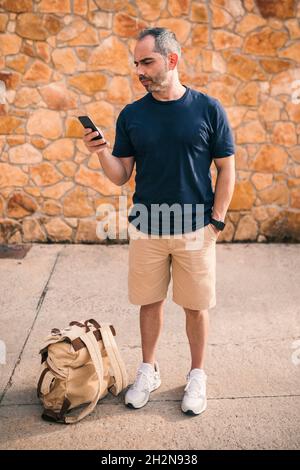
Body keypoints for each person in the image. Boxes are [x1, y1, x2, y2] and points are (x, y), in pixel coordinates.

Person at [83, 27, 235, 416]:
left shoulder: (208, 109)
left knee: (196, 307)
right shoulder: (132, 115)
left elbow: (226, 170)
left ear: (172, 60)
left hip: (196, 229)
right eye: (136, 63)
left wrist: (216, 222)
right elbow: (121, 175)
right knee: (149, 303)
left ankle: (197, 375)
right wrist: (100, 152)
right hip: (147, 227)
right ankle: (147, 371)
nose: (140, 70)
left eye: (147, 62)